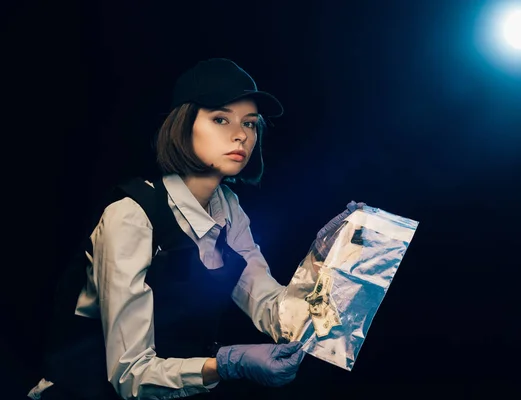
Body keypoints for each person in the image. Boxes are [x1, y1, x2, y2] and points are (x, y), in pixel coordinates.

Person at [28, 58, 358, 400]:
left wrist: (325, 260)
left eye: (250, 123)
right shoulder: (131, 216)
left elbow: (278, 315)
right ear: (183, 125)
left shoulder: (228, 209)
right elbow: (130, 375)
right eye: (220, 119)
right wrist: (227, 364)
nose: (241, 134)